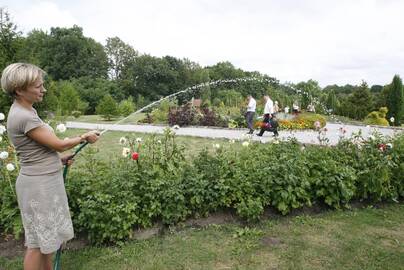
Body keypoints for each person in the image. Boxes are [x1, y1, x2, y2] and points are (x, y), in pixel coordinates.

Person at [1, 63, 99, 270]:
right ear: (19, 89)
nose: (43, 90)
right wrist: (83, 137)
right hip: (39, 185)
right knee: (37, 243)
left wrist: (58, 160)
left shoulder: (25, 110)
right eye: (38, 86)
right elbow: (58, 144)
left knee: (47, 242)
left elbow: (36, 151)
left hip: (42, 179)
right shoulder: (23, 116)